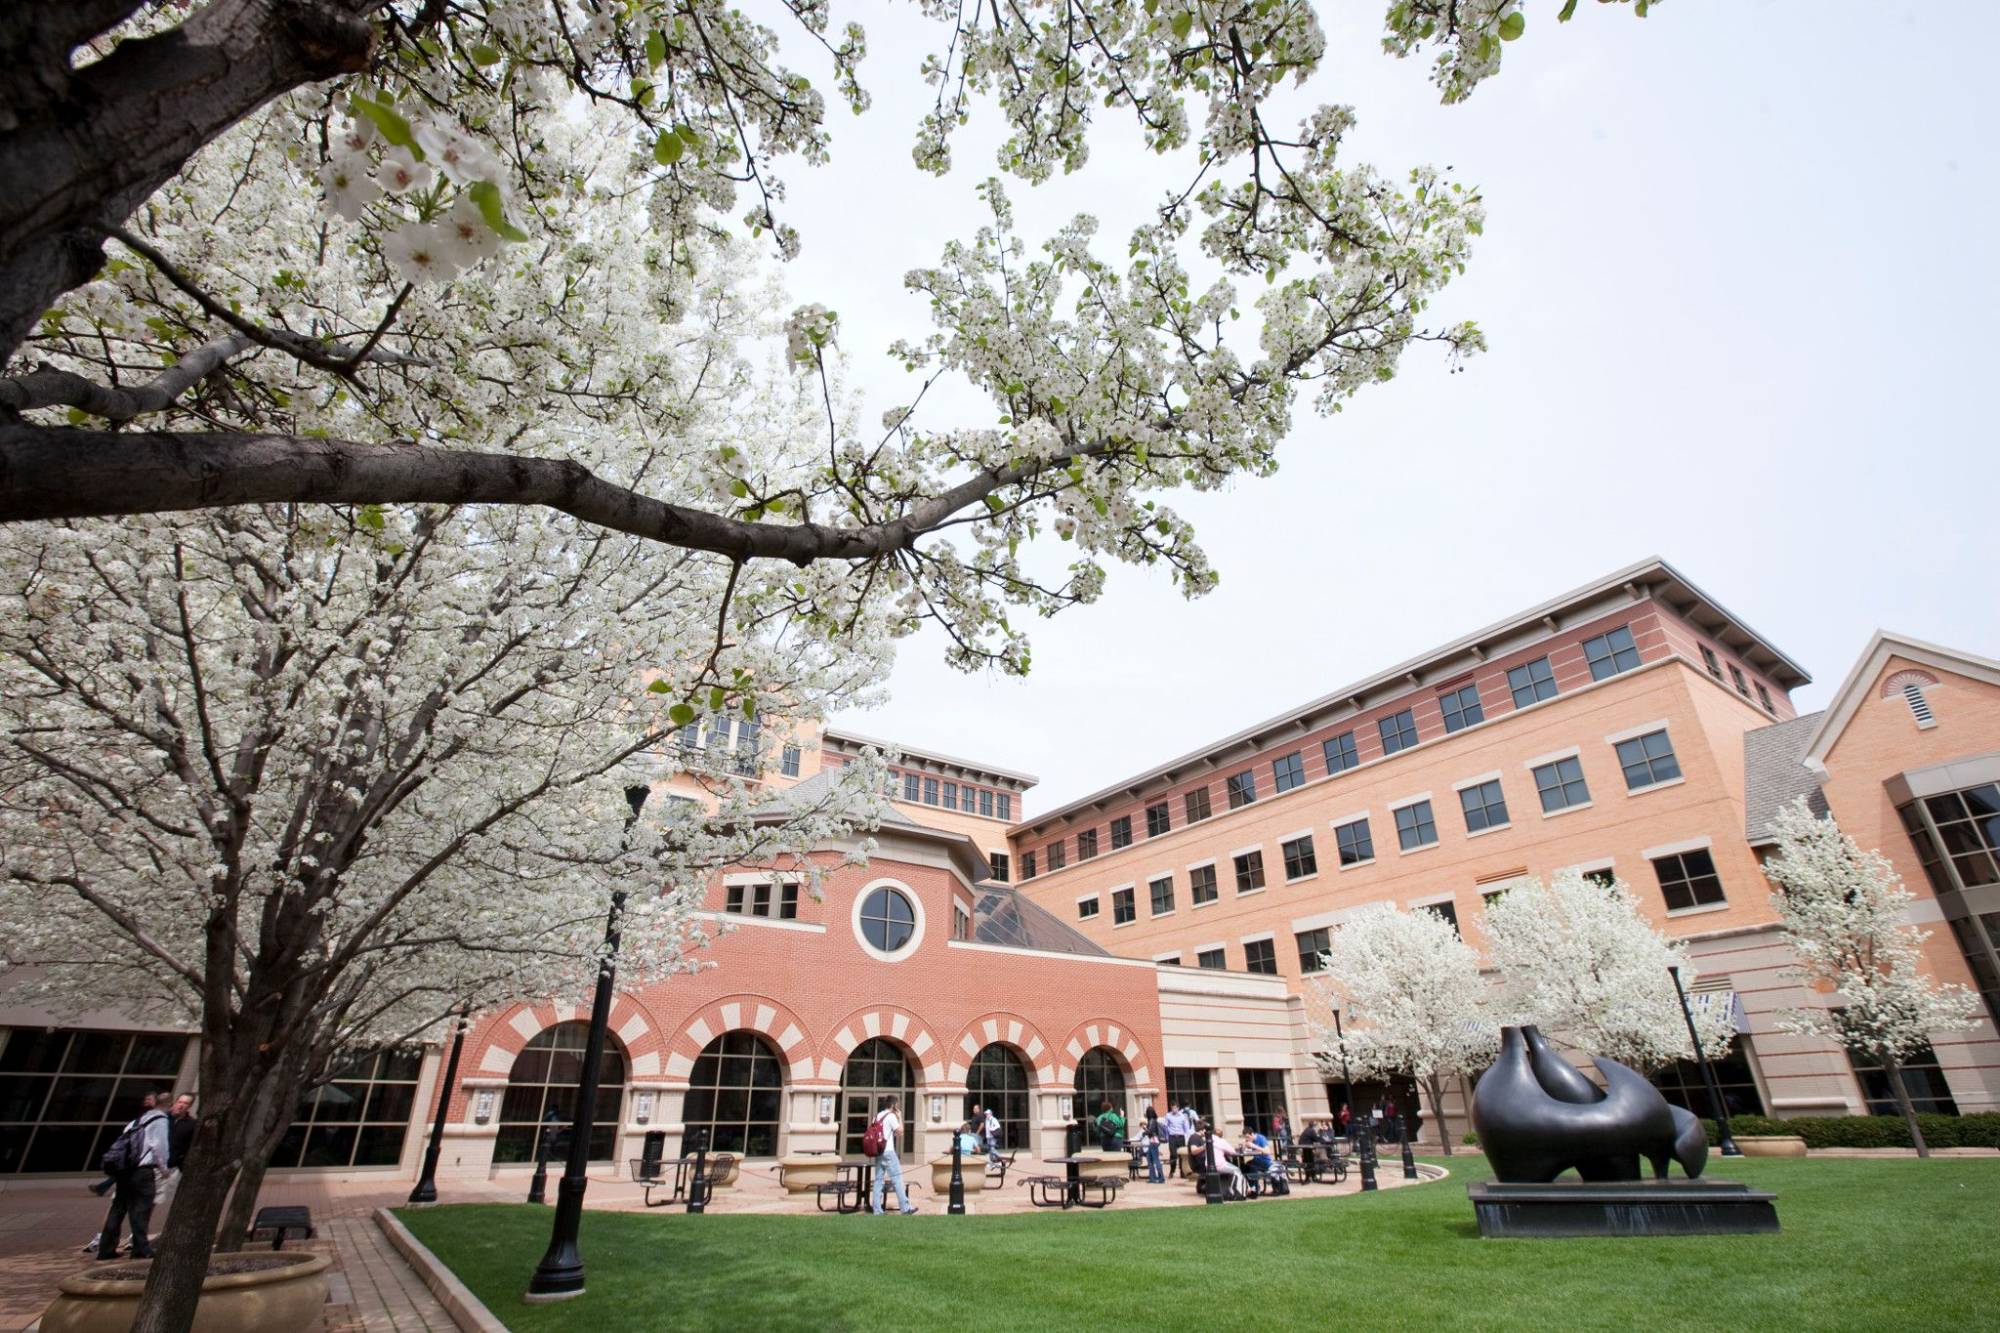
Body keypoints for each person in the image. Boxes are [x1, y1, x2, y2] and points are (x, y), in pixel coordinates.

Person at [95, 1088, 173, 1260]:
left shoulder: (137, 1121)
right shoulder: (160, 1120)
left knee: (118, 1209)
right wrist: (164, 1169)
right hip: (143, 1172)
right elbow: (159, 1147)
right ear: (168, 1105)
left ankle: (106, 1249)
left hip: (125, 1171)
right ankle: (141, 1249)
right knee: (141, 1211)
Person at [868, 1095, 918, 1215]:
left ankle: (877, 1210)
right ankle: (905, 1208)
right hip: (888, 1152)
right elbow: (900, 1131)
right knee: (897, 1179)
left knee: (878, 1180)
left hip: (879, 1152)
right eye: (897, 1104)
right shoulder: (891, 1116)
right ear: (893, 1105)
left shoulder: (877, 1116)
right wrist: (899, 1117)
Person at [1207, 1125, 1247, 1199]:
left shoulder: (1208, 1139)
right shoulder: (1221, 1141)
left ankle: (1242, 1188)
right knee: (1237, 1170)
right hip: (1219, 1165)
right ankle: (1235, 1192)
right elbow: (1232, 1152)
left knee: (1233, 1170)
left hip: (1208, 1165)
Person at [1163, 1103, 1190, 1179]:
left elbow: (1186, 1128)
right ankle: (1172, 1171)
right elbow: (1165, 1126)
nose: (1173, 1110)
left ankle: (1182, 1172)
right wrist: (1166, 1136)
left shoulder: (1182, 1116)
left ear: (1178, 1108)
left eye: (1175, 1108)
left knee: (1182, 1155)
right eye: (1172, 1108)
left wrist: (1187, 1137)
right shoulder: (1168, 1115)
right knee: (1173, 1154)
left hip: (1181, 1137)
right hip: (1172, 1137)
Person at [1140, 1116, 1165, 1184]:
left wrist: (1145, 1130)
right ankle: (1153, 1178)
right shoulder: (1154, 1121)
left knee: (1155, 1161)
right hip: (1154, 1142)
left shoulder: (1152, 1121)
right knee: (1150, 1160)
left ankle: (1161, 1178)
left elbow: (1150, 1132)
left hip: (1153, 1142)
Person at [981, 1104, 1003, 1169]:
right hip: (988, 1137)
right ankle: (992, 1163)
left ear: (990, 1114)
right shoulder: (986, 1120)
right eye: (986, 1114)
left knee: (992, 1149)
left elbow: (998, 1127)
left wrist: (992, 1129)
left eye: (987, 1114)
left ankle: (1001, 1159)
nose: (986, 1115)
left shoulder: (993, 1119)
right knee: (990, 1151)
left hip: (992, 1137)